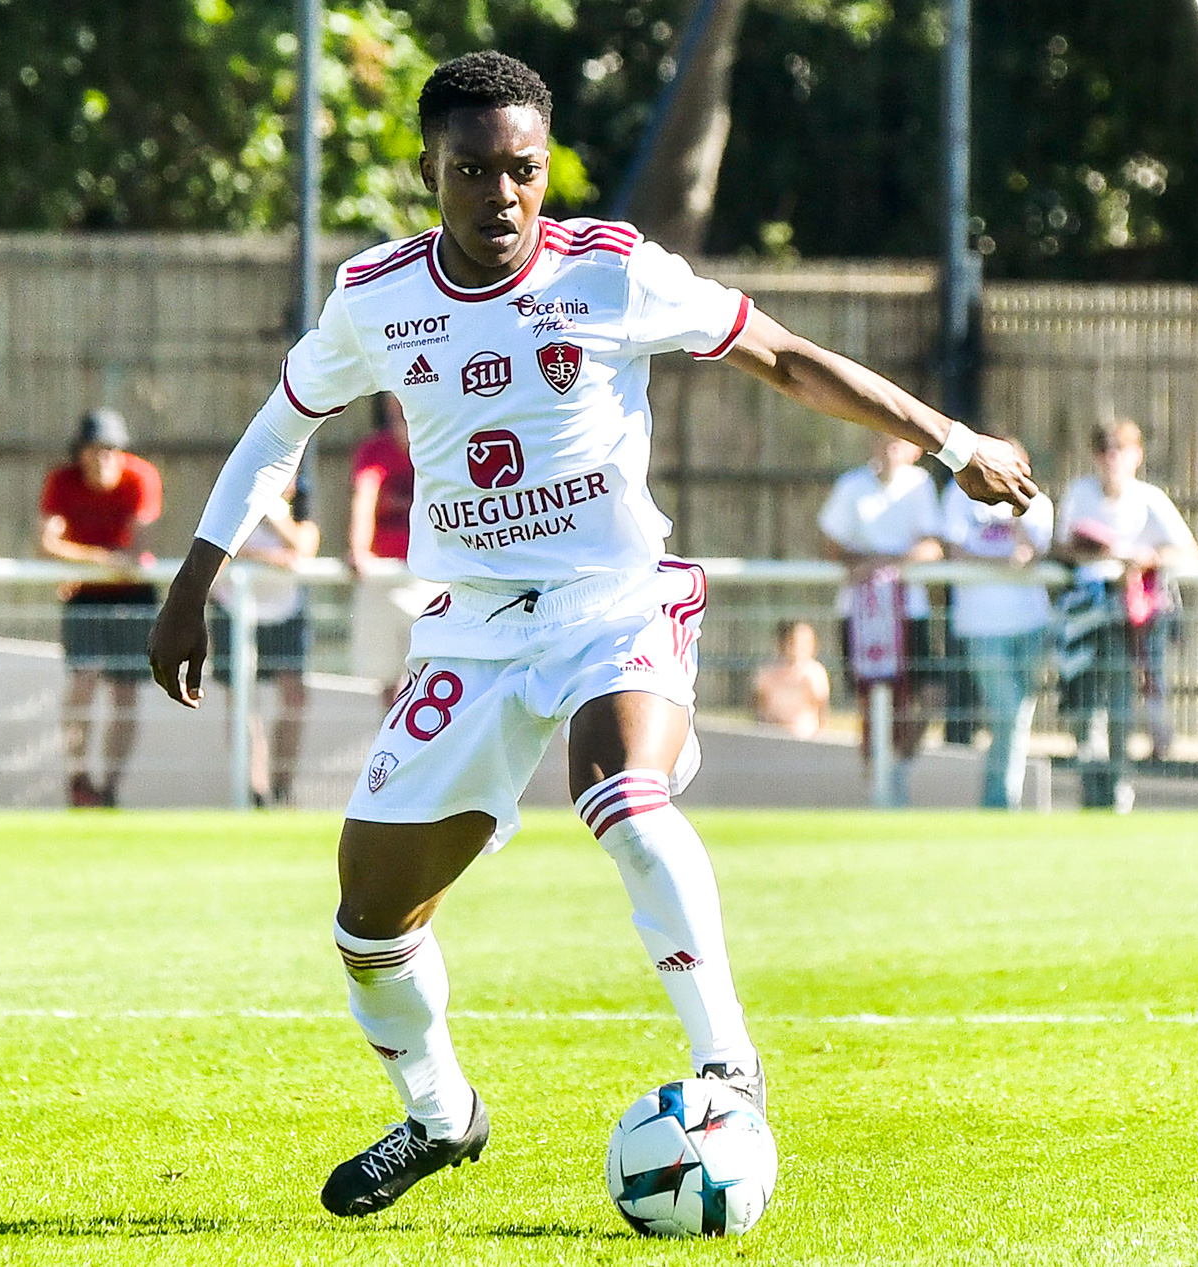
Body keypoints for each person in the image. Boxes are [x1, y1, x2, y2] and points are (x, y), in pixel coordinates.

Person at [146, 51, 1035, 1218]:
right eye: (471, 171)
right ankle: (437, 1115)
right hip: (467, 635)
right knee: (368, 919)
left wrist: (949, 440)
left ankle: (726, 1062)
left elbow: (784, 357)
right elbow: (275, 434)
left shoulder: (610, 272)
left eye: (521, 170)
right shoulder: (374, 295)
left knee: (618, 792)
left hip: (616, 604)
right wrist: (189, 582)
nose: (500, 195)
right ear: (428, 171)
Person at [1052, 419, 1198, 811]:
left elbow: (1187, 551)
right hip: (1084, 617)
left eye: (1120, 449)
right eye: (1104, 449)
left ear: (1136, 455)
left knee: (1119, 708)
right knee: (1084, 708)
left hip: (1126, 618)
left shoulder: (1149, 498)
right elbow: (1061, 548)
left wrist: (1146, 558)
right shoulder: (1078, 493)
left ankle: (1117, 791)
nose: (1111, 458)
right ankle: (1091, 793)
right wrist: (1097, 552)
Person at [40, 408, 163, 808]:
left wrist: (97, 563)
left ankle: (109, 786)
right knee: (82, 683)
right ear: (80, 453)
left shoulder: (140, 478)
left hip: (132, 595)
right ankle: (79, 780)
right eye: (94, 450)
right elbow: (48, 542)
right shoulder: (62, 480)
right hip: (85, 594)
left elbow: (139, 546)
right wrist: (101, 562)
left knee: (126, 692)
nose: (102, 459)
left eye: (111, 449)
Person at [817, 433, 944, 806]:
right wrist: (863, 566)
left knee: (925, 696)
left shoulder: (919, 487)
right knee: (868, 702)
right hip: (860, 613)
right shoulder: (852, 486)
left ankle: (898, 770)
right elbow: (829, 543)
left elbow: (933, 545)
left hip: (908, 611)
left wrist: (888, 565)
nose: (889, 446)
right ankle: (877, 788)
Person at [940, 437, 1054, 809]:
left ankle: (1002, 799)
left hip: (1031, 623)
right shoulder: (959, 496)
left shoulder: (1037, 503)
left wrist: (1013, 508)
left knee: (1018, 716)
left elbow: (1030, 553)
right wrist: (999, 563)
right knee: (1008, 712)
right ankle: (1001, 799)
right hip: (981, 625)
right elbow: (956, 551)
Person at [213, 480, 319, 806]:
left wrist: (276, 517)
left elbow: (303, 549)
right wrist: (270, 557)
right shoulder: (231, 502)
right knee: (242, 701)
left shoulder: (301, 510)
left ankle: (282, 787)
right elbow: (221, 553)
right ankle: (253, 791)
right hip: (234, 610)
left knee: (294, 696)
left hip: (285, 613)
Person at [347, 393, 443, 707]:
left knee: (435, 673)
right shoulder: (374, 450)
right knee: (387, 678)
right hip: (384, 579)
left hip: (432, 579)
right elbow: (365, 496)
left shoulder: (442, 444)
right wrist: (359, 550)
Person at [754, 620, 831, 738]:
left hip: (804, 737)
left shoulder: (814, 673)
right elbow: (758, 705)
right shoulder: (767, 674)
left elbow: (821, 709)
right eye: (793, 642)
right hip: (772, 735)